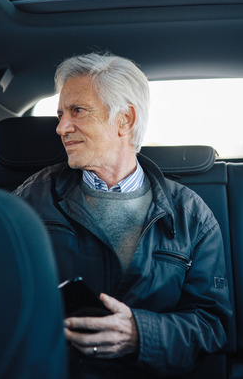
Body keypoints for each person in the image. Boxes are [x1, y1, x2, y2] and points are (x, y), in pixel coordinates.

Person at [14, 52, 231, 378]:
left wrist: (140, 334)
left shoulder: (192, 216)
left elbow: (212, 326)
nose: (61, 127)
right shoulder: (31, 199)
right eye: (60, 114)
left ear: (125, 120)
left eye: (77, 111)